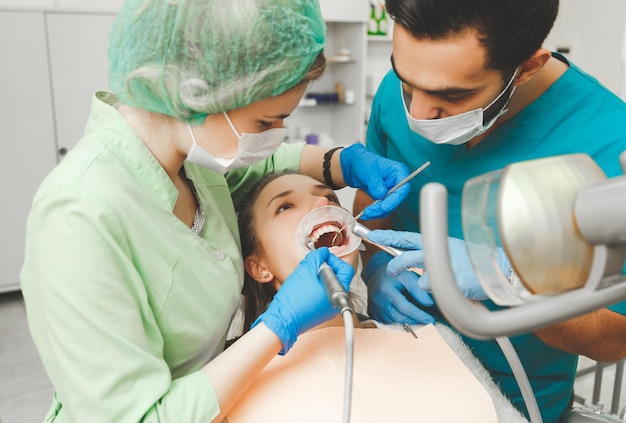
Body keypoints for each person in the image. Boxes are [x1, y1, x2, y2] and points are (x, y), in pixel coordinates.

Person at [19, 1, 412, 422]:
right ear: (196, 93)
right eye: (265, 124)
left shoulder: (187, 159)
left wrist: (342, 163)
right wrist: (276, 328)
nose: (276, 139)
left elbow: (263, 169)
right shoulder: (77, 217)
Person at [354, 1, 626, 422]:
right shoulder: (404, 86)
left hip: (514, 404)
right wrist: (373, 271)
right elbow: (373, 213)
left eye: (452, 95)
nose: (418, 114)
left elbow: (615, 337)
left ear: (527, 67)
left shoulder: (609, 142)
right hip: (393, 375)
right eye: (407, 83)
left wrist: (517, 283)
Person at [229, 171, 529, 422]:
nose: (323, 201)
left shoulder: (426, 338)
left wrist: (513, 273)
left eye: (330, 197)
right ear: (259, 267)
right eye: (284, 206)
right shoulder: (236, 376)